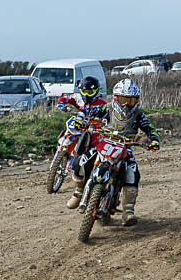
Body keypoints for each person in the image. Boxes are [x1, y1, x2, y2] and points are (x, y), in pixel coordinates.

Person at [73, 78, 160, 225]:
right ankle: (79, 191)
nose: (126, 104)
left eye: (131, 101)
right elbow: (86, 112)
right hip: (105, 143)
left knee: (133, 172)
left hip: (125, 147)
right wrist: (81, 120)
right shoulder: (106, 108)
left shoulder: (139, 114)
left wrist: (154, 141)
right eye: (123, 99)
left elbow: (149, 128)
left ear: (136, 101)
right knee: (81, 160)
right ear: (115, 98)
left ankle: (128, 210)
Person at [59, 77, 110, 209]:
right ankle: (78, 191)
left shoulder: (103, 104)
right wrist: (63, 105)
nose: (87, 95)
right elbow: (78, 110)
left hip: (98, 137)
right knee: (78, 161)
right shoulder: (81, 101)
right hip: (83, 130)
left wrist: (103, 124)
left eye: (90, 92)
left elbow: (109, 120)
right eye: (85, 92)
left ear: (96, 91)